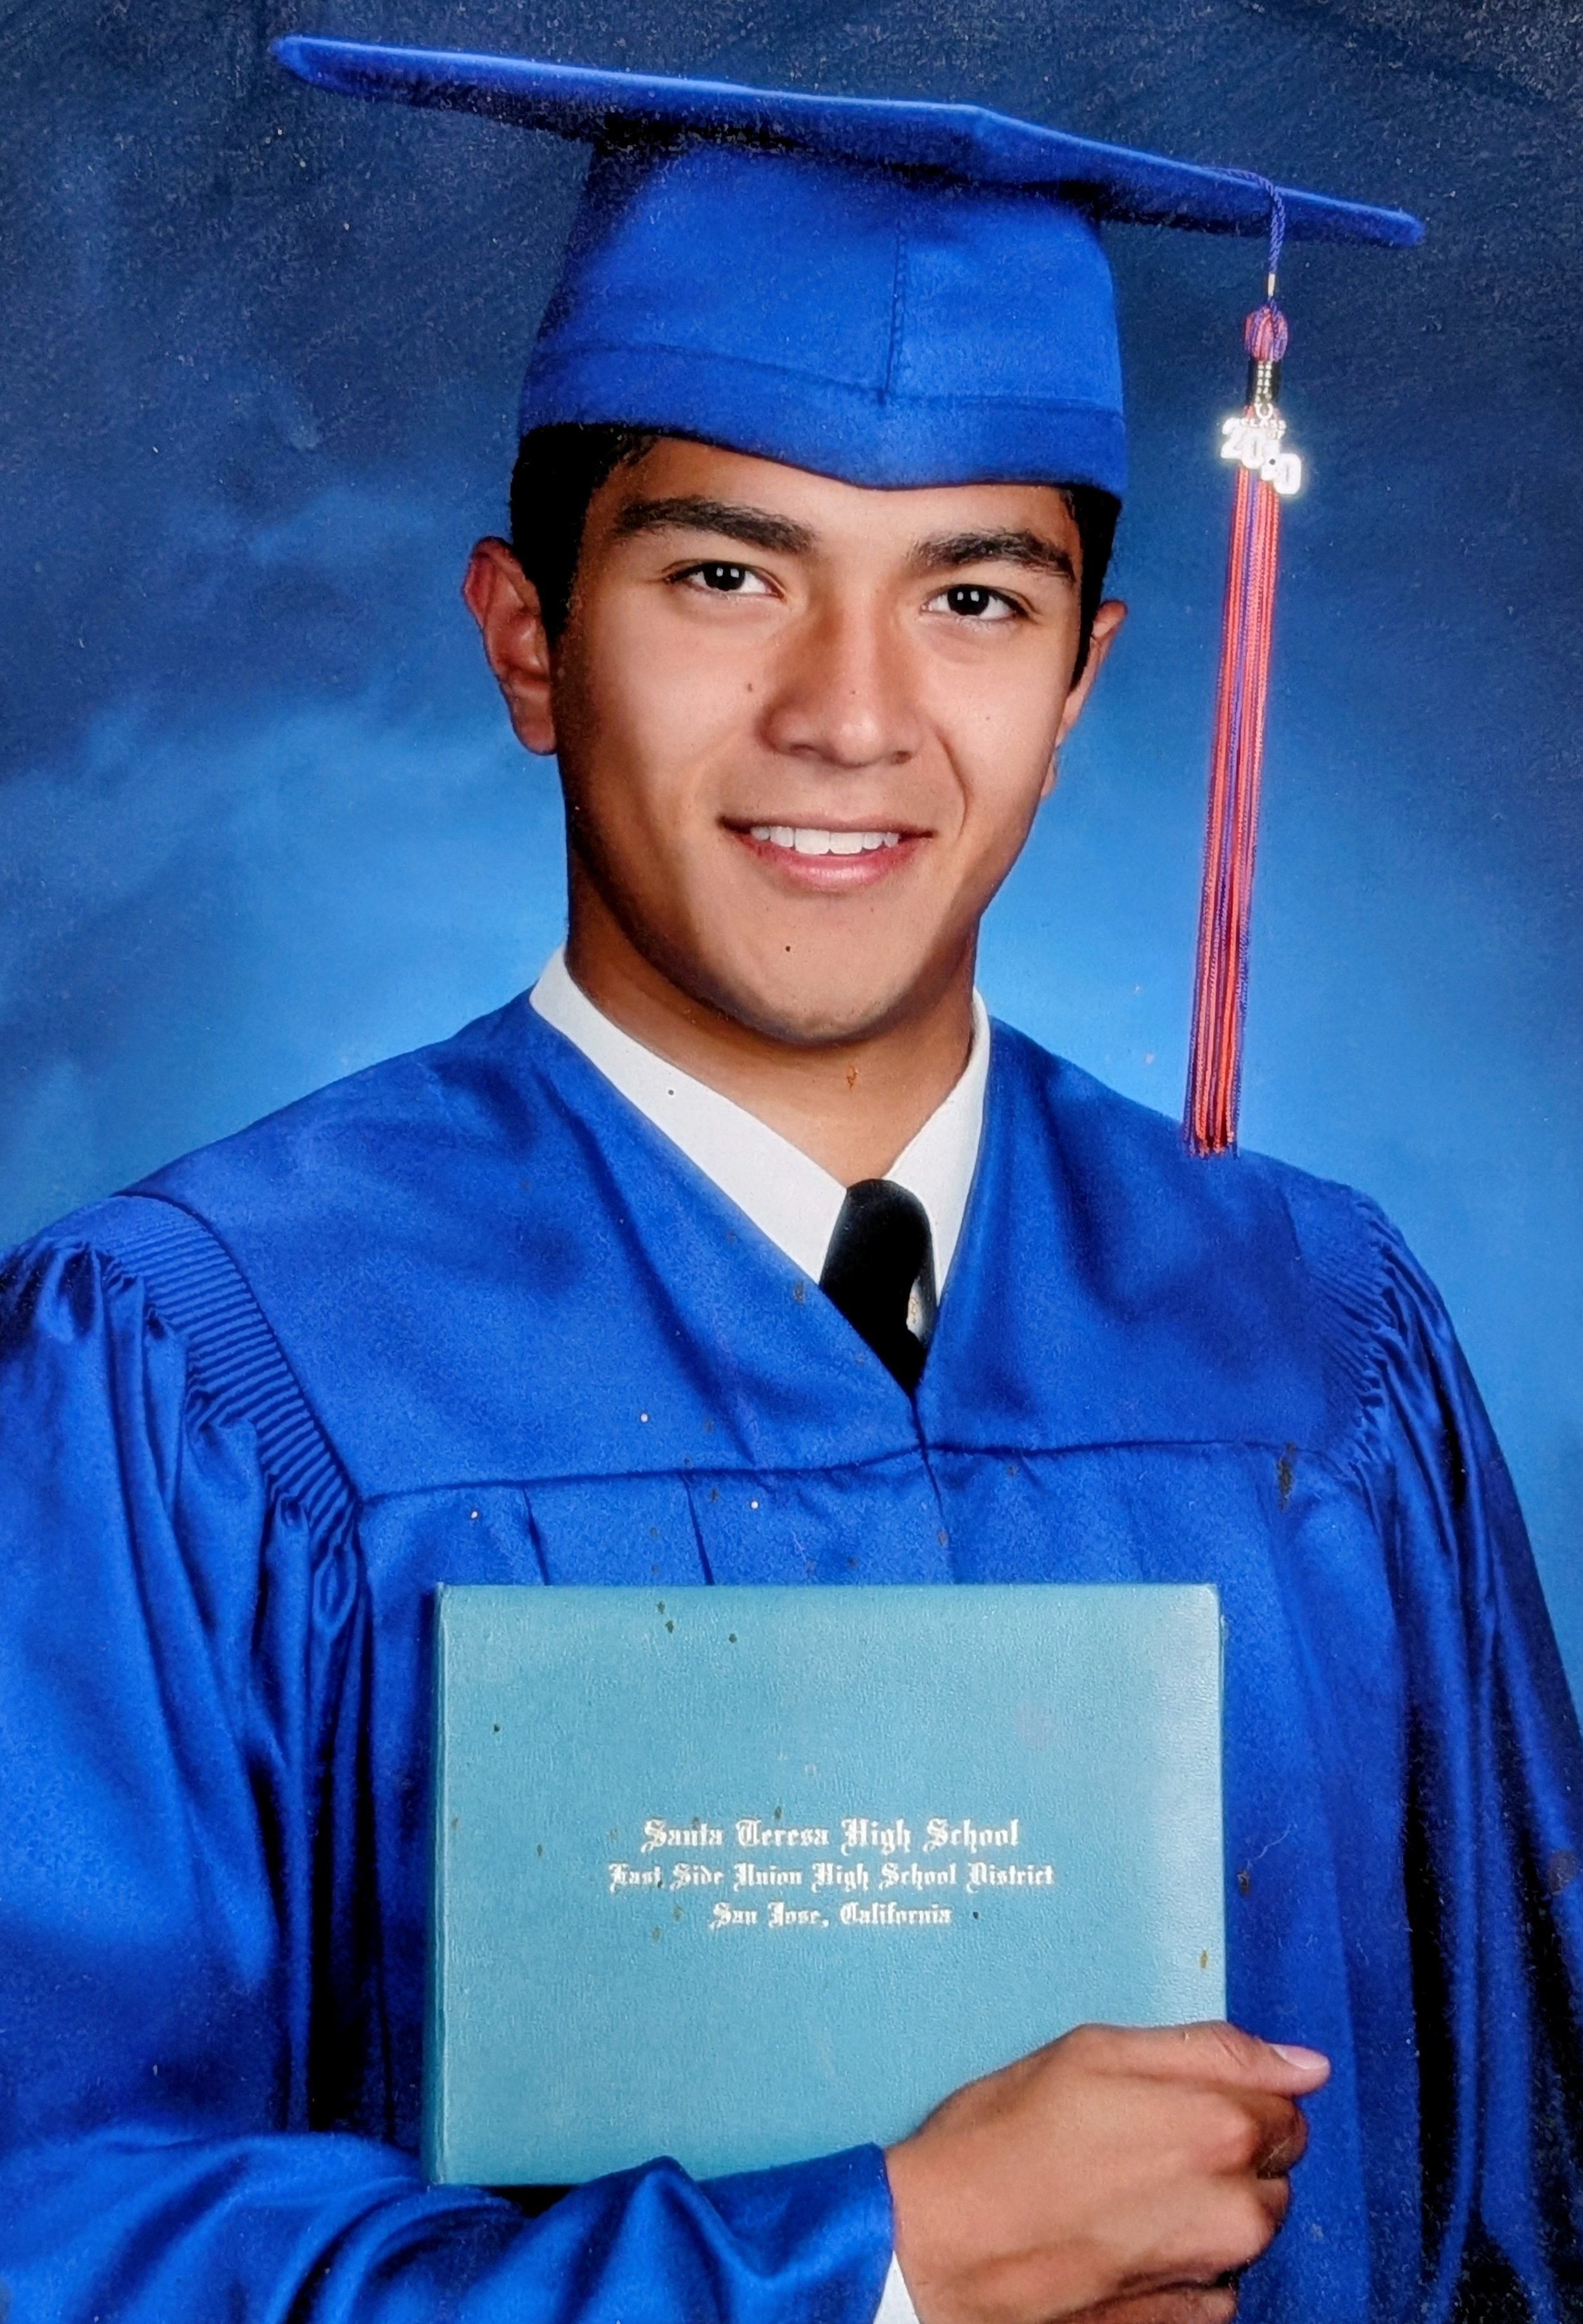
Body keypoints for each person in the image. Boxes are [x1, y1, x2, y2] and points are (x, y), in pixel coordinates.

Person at [1, 35, 1579, 2324]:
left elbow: (1516, 2204)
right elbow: (47, 2226)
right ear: (529, 641)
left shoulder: (1315, 1340)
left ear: (1083, 677)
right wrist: (876, 2265)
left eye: (971, 598)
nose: (853, 715)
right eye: (729, 576)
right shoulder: (187, 1371)